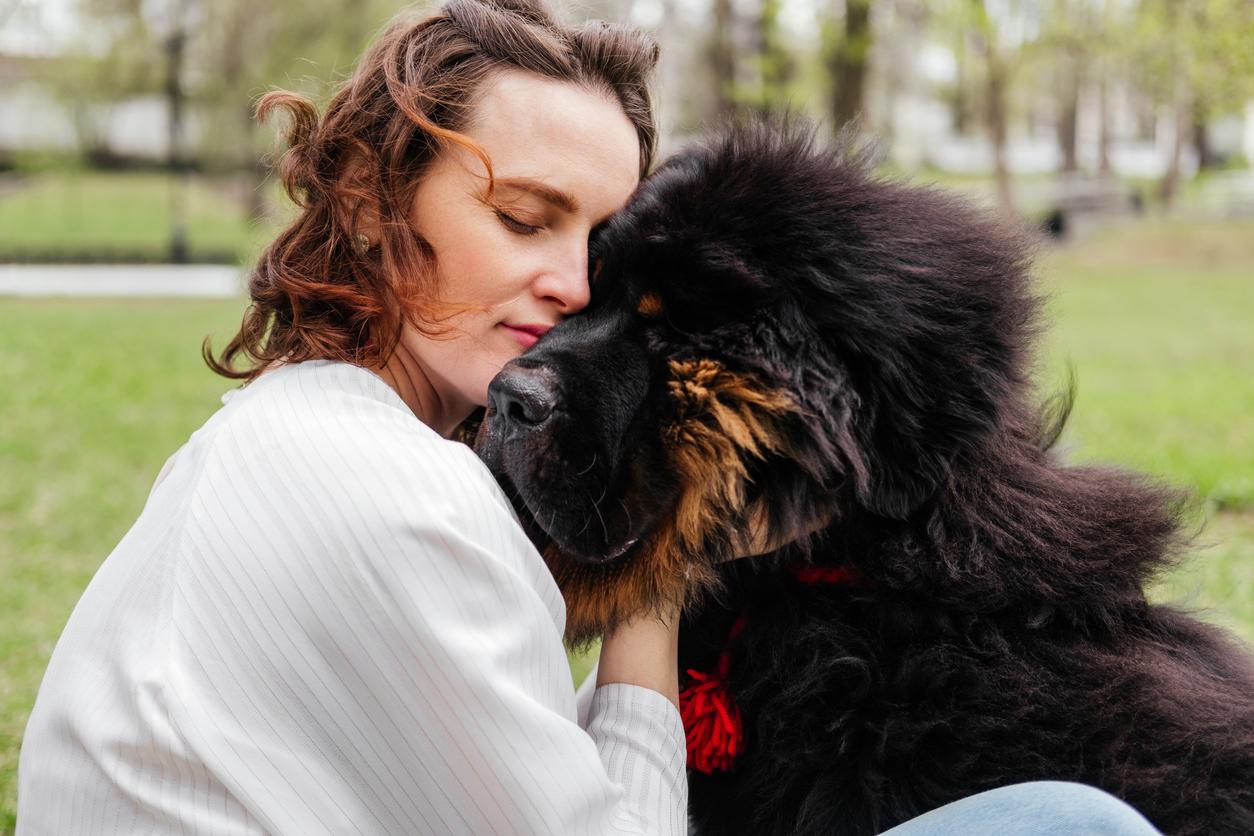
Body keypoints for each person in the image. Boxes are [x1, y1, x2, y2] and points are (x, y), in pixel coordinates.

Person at [16, 1, 1163, 833]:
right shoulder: (392, 496)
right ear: (368, 201)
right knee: (1072, 823)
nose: (573, 285)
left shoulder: (297, 435)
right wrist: (661, 584)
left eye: (597, 246)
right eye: (524, 216)